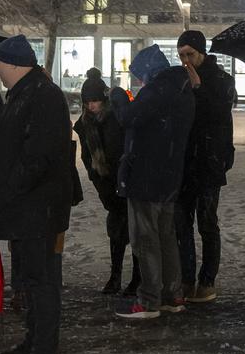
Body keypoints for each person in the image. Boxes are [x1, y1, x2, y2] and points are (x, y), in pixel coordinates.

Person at [0, 34, 75, 354]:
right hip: (26, 207)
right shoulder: (26, 94)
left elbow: (40, 155)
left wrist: (12, 185)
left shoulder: (42, 96)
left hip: (39, 207)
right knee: (28, 279)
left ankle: (44, 352)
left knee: (42, 281)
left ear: (12, 64)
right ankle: (33, 341)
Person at [112, 45, 194, 321]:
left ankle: (149, 300)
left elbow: (128, 118)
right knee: (167, 237)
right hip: (170, 175)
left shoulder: (156, 91)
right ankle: (173, 295)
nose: (138, 82)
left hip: (146, 176)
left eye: (139, 76)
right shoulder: (181, 92)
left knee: (146, 239)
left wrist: (119, 98)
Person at [175, 30, 235, 304]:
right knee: (181, 223)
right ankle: (187, 279)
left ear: (201, 53)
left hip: (209, 162)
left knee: (207, 223)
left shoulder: (221, 80)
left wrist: (198, 88)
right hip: (184, 163)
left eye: (190, 54)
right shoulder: (180, 80)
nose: (186, 60)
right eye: (181, 55)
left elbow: (219, 115)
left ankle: (207, 280)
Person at [74, 69, 138, 296]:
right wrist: (99, 183)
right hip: (107, 185)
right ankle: (116, 276)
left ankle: (137, 278)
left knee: (134, 230)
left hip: (126, 182)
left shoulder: (117, 117)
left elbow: (125, 149)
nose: (92, 106)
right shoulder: (84, 125)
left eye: (95, 101)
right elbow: (88, 158)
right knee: (116, 232)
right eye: (88, 102)